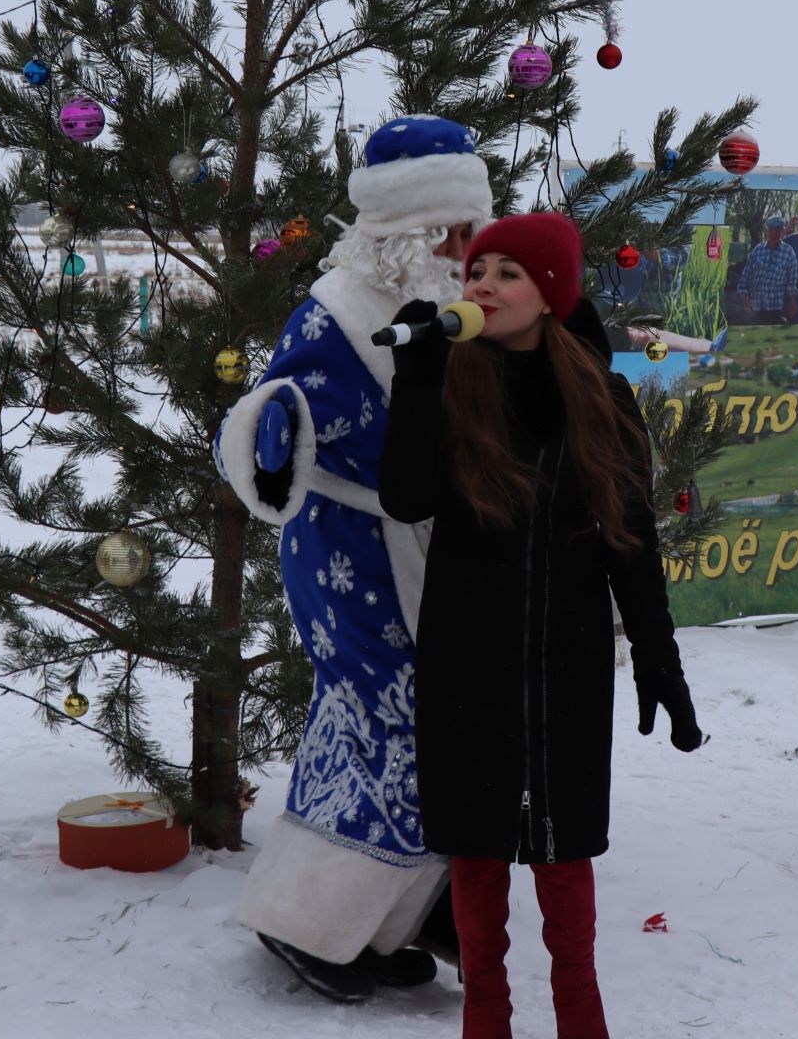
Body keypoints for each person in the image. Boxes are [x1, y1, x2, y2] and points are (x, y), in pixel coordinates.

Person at [379, 211, 705, 1037]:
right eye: (475, 270)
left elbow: (630, 542)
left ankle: (580, 1019)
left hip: (568, 665)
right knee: (478, 855)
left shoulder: (603, 394)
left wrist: (660, 661)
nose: (481, 284)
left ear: (551, 292)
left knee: (564, 858)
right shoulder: (448, 381)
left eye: (505, 273)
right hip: (464, 662)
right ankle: (485, 1016)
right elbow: (406, 499)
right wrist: (416, 382)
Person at [216, 114, 485, 1002]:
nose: (463, 246)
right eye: (447, 229)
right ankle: (305, 922)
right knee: (385, 721)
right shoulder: (336, 312)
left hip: (426, 547)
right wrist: (279, 424)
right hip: (351, 550)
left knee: (419, 726)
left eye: (470, 227)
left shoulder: (460, 308)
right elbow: (274, 416)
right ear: (400, 230)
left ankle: (379, 922)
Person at [736, 215, 798, 324]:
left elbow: (791, 283)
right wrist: (744, 299)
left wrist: (793, 302)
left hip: (778, 308)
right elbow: (745, 278)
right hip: (756, 308)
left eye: (778, 230)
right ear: (767, 231)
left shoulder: (789, 253)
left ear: (782, 231)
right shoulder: (757, 251)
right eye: (771, 230)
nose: (774, 234)